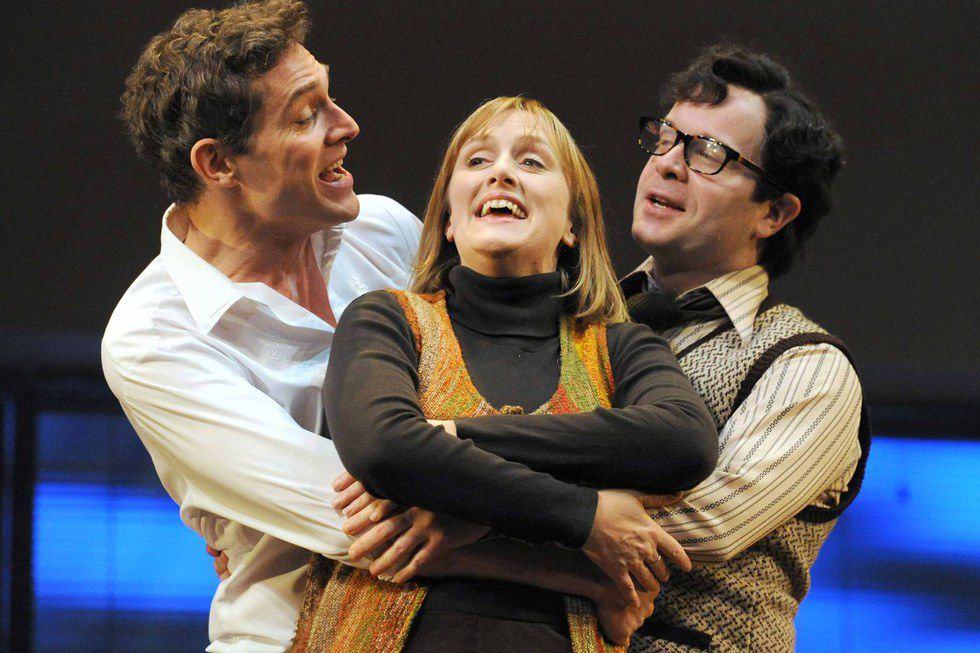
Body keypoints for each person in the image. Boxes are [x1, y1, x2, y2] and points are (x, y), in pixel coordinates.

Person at [291, 96, 719, 652]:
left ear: (573, 224)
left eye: (532, 161)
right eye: (477, 161)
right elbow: (385, 449)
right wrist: (587, 515)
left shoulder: (619, 345)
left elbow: (684, 441)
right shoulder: (386, 318)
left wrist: (452, 440)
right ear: (448, 220)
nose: (501, 172)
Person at [101, 2, 423, 650]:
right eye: (306, 116)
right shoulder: (153, 337)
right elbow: (355, 519)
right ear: (218, 164)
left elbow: (515, 374)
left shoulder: (384, 230)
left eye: (331, 98)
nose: (347, 126)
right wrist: (579, 522)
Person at [620, 45, 871, 652]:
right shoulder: (581, 315)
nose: (668, 165)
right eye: (666, 138)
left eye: (708, 153)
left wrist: (480, 512)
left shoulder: (806, 365)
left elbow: (705, 525)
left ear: (774, 213)